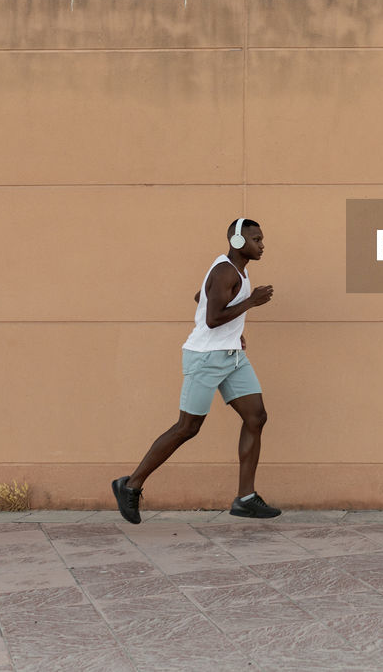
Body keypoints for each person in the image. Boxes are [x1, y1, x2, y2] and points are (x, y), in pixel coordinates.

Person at [112, 218, 280, 523]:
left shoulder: (236, 270)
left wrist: (234, 331)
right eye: (256, 239)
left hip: (231, 356)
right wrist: (251, 303)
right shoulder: (224, 270)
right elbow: (213, 318)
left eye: (261, 239)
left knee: (256, 416)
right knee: (187, 428)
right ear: (238, 242)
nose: (262, 244)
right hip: (205, 358)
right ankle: (130, 484)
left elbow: (200, 300)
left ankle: (245, 498)